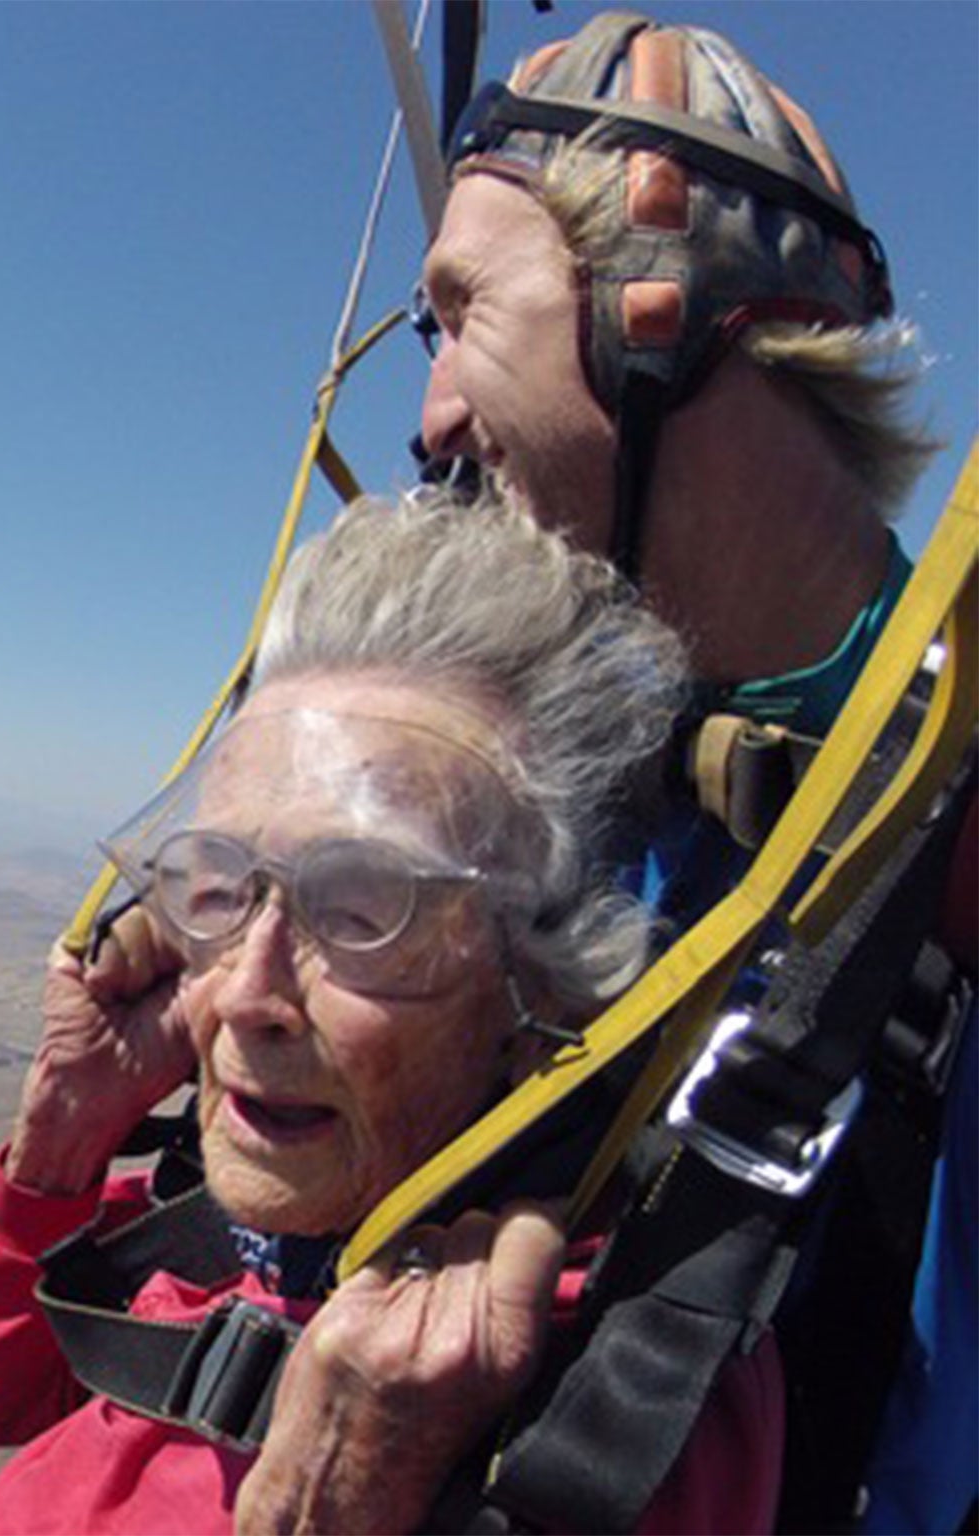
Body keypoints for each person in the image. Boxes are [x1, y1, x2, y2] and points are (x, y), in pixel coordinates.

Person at [0, 490, 777, 1534]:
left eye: (360, 914)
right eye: (218, 888)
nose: (247, 995)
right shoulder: (219, 1228)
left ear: (544, 987)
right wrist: (62, 1135)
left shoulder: (617, 1407)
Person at [413, 13, 970, 1530]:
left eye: (464, 315)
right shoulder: (584, 801)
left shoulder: (953, 838)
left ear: (656, 313)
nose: (433, 416)